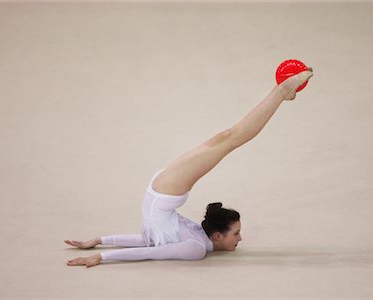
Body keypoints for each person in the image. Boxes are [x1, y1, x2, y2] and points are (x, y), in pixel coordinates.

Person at [65, 68, 314, 267]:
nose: (240, 239)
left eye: (236, 233)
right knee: (228, 138)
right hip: (163, 190)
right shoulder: (196, 243)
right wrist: (100, 249)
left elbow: (149, 247)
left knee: (231, 138)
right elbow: (152, 246)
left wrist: (100, 247)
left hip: (166, 191)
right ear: (217, 236)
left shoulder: (195, 245)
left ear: (217, 235)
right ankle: (281, 92)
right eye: (236, 233)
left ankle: (282, 91)